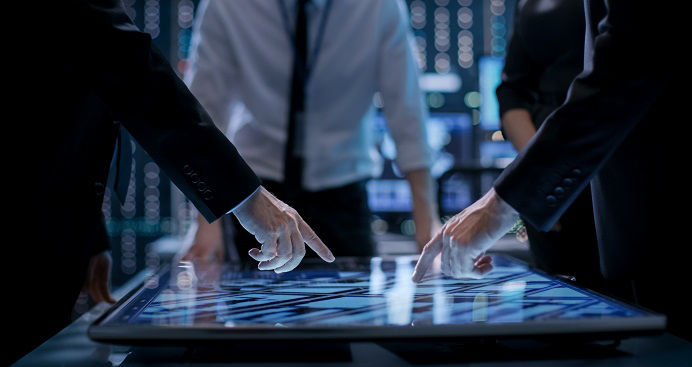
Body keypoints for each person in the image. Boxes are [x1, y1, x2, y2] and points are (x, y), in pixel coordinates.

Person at [7, 0, 333, 364]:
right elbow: (128, 65)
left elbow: (77, 67)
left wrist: (90, 229)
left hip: (55, 218)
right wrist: (246, 196)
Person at [413, 0, 692, 355]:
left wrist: (506, 202)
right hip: (576, 193)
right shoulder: (531, 8)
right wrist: (534, 188)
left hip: (667, 205)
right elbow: (514, 89)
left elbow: (631, 58)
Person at [182, 0, 440, 263]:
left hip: (343, 196)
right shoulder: (227, 5)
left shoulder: (378, 6)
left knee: (351, 301)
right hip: (256, 194)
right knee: (253, 302)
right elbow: (205, 111)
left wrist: (426, 226)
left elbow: (407, 112)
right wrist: (205, 222)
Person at [496, 0, 624, 295]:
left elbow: (618, 77)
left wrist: (547, 174)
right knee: (551, 304)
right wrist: (542, 177)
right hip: (550, 182)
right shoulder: (528, 5)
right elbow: (512, 92)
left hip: (611, 170)